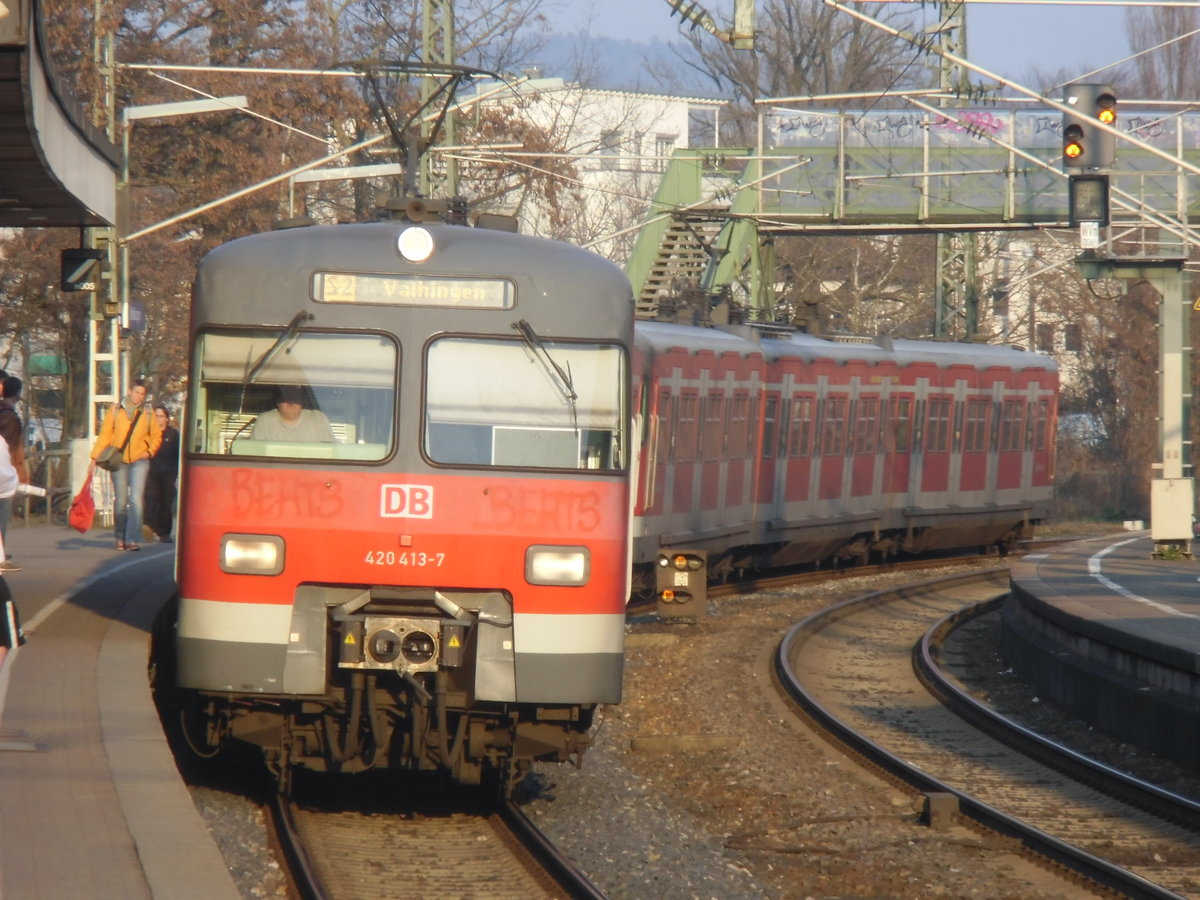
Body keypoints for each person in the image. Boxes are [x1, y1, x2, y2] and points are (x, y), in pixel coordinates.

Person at [89, 380, 162, 551]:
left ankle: (131, 539)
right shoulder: (115, 411)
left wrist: (149, 451)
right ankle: (119, 537)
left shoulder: (148, 413)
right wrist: (94, 457)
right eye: (137, 392)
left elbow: (156, 436)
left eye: (142, 394)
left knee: (136, 500)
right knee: (121, 501)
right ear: (130, 391)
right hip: (119, 460)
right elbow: (105, 435)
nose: (139, 397)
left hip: (140, 459)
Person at [0, 376, 27, 571]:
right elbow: (13, 448)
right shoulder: (10, 417)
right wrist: (21, 470)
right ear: (17, 394)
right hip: (3, 473)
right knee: (2, 515)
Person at [143, 404, 180, 543]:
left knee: (166, 502)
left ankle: (164, 533)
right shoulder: (148, 434)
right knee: (151, 500)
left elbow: (178, 455)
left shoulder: (173, 435)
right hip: (152, 471)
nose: (158, 419)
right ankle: (149, 529)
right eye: (155, 416)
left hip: (169, 472)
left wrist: (176, 472)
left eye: (161, 416)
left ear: (166, 419)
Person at [251, 385, 335, 442]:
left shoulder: (318, 419)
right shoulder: (264, 421)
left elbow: (330, 455)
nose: (291, 402)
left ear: (302, 401)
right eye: (285, 397)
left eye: (295, 396)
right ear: (277, 402)